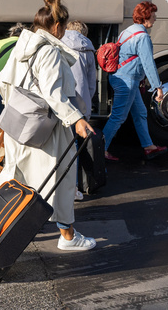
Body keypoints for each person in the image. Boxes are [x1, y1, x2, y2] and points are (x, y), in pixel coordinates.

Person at [0, 0, 97, 251]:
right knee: (59, 180)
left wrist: (15, 106)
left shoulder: (21, 46)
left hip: (18, 124)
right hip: (47, 129)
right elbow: (54, 94)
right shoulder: (50, 51)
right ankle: (68, 236)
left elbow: (2, 82)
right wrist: (76, 120)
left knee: (14, 177)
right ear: (57, 27)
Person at [102, 2, 168, 161]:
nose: (155, 18)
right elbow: (148, 63)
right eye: (153, 15)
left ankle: (149, 147)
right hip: (127, 81)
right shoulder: (142, 37)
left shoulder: (127, 31)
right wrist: (157, 87)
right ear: (146, 17)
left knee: (140, 113)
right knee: (118, 117)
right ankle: (98, 150)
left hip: (121, 77)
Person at [62, 20, 97, 202]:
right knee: (74, 147)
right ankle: (75, 188)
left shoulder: (59, 42)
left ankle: (59, 187)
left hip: (62, 100)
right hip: (81, 102)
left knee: (59, 145)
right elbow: (91, 83)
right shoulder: (89, 49)